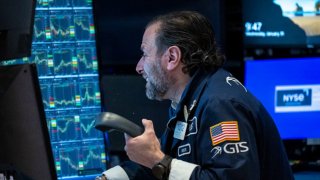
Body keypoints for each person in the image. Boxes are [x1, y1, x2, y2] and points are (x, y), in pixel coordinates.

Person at [98, 11, 294, 180]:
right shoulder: (190, 101)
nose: (139, 67)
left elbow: (162, 163)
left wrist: (157, 160)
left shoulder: (221, 104)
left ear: (172, 58)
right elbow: (160, 164)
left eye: (145, 54)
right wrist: (108, 177)